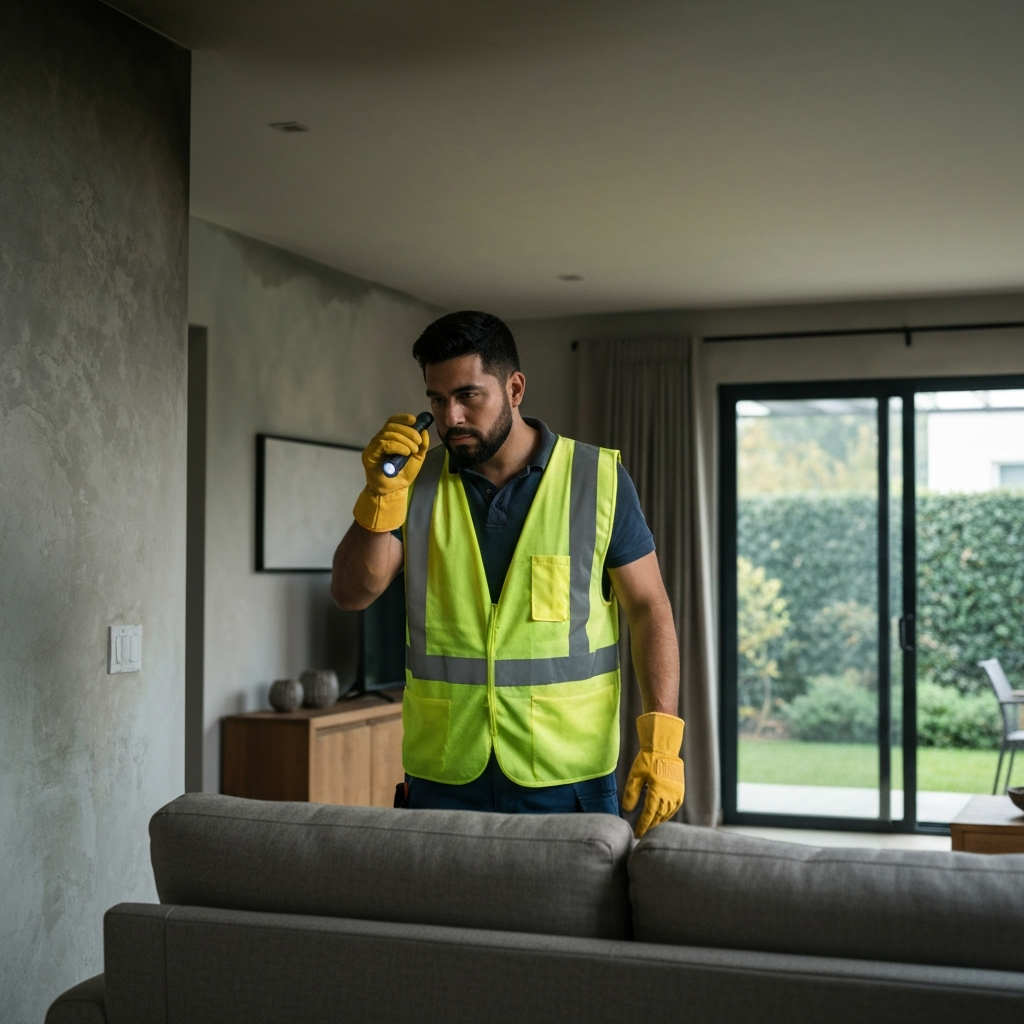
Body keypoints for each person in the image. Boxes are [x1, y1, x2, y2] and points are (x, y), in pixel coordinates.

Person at [331, 311, 683, 837]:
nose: (450, 417)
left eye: (468, 395)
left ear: (514, 388)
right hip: (444, 775)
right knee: (443, 923)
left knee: (568, 921)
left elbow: (648, 608)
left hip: (569, 780)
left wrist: (661, 741)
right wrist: (379, 500)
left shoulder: (597, 479)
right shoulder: (415, 487)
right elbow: (352, 593)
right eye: (436, 398)